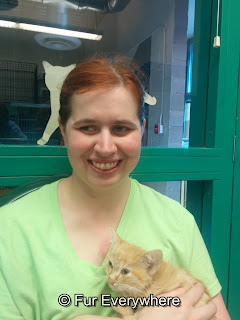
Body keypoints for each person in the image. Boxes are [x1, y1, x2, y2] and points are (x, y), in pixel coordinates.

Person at [0, 55, 230, 320]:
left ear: (141, 131)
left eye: (121, 128)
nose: (106, 147)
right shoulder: (11, 230)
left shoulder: (178, 222)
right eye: (87, 128)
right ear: (63, 130)